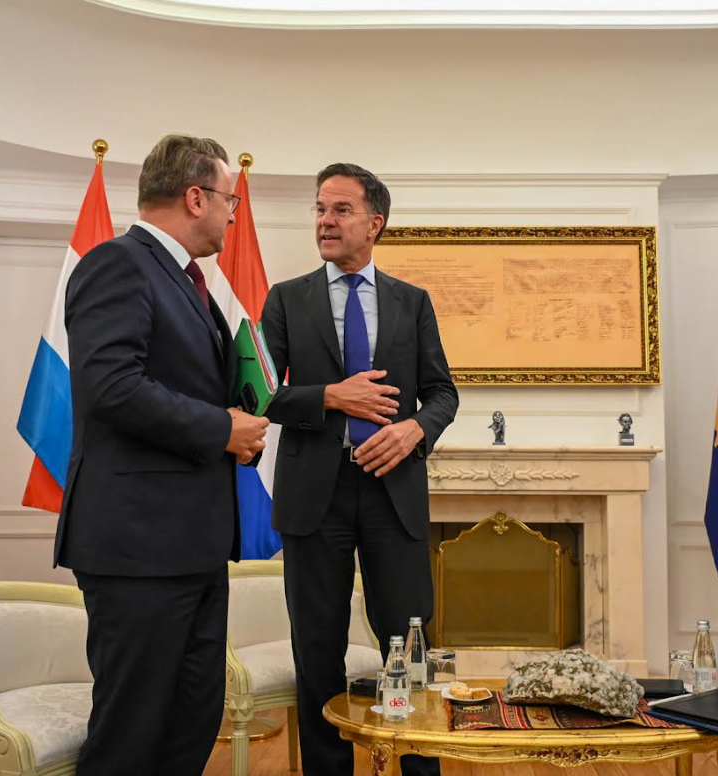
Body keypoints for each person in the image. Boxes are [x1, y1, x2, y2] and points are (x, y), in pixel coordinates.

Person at [55, 134, 270, 776]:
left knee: (189, 721)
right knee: (131, 734)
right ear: (195, 198)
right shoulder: (117, 263)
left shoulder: (187, 280)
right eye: (229, 200)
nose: (233, 214)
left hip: (191, 545)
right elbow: (111, 387)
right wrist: (220, 429)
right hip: (138, 546)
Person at [261, 163, 459, 776]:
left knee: (410, 642)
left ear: (375, 223)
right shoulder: (286, 298)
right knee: (317, 647)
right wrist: (329, 396)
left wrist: (413, 430)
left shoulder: (412, 302)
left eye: (341, 209)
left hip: (392, 493)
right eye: (320, 208)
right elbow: (259, 394)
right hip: (312, 497)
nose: (325, 220)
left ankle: (418, 767)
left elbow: (443, 394)